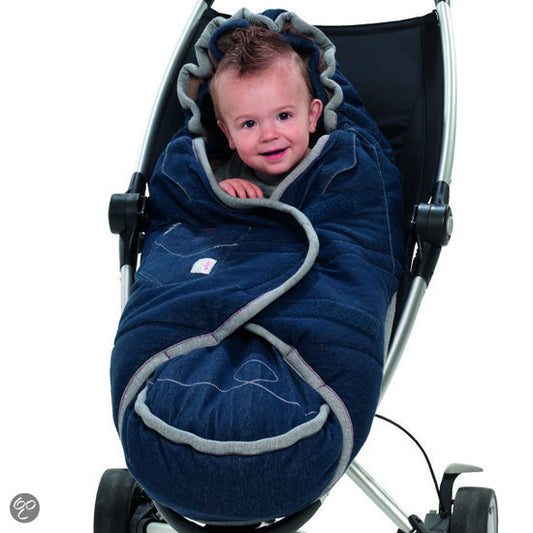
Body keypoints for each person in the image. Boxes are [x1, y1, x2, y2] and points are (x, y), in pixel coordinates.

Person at [209, 25, 323, 198]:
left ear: (311, 116)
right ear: (229, 135)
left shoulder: (330, 167)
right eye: (249, 123)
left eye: (283, 116)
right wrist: (221, 193)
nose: (269, 136)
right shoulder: (232, 171)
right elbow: (199, 204)